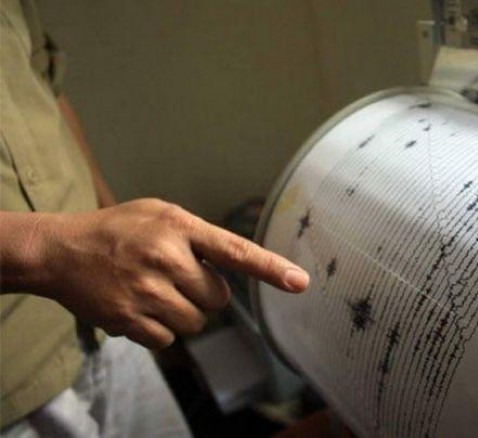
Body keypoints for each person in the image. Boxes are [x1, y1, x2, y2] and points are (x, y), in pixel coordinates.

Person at [0, 0, 310, 436]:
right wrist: (51, 251)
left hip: (105, 324)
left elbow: (43, 85)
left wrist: (113, 227)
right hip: (13, 384)